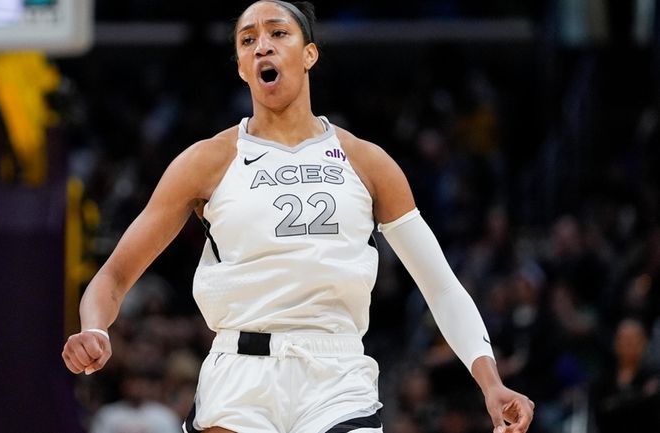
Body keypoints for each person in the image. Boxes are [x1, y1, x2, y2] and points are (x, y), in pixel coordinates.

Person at [62, 1, 536, 432]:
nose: (262, 44)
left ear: (309, 54)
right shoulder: (205, 161)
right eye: (248, 40)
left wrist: (490, 382)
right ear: (243, 68)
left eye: (277, 33)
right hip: (240, 372)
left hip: (337, 372)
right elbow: (115, 276)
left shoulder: (368, 162)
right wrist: (95, 329)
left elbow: (440, 285)